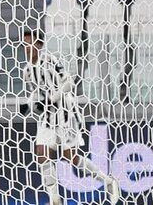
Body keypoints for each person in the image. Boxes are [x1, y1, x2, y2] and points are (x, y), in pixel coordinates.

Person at [22, 30, 119, 205]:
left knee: (71, 158)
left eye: (30, 43)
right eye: (24, 44)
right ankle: (55, 199)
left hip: (65, 112)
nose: (27, 48)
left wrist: (51, 99)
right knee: (41, 154)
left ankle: (108, 181)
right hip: (47, 116)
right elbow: (35, 92)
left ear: (39, 45)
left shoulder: (51, 61)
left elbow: (68, 83)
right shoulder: (27, 70)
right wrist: (28, 105)